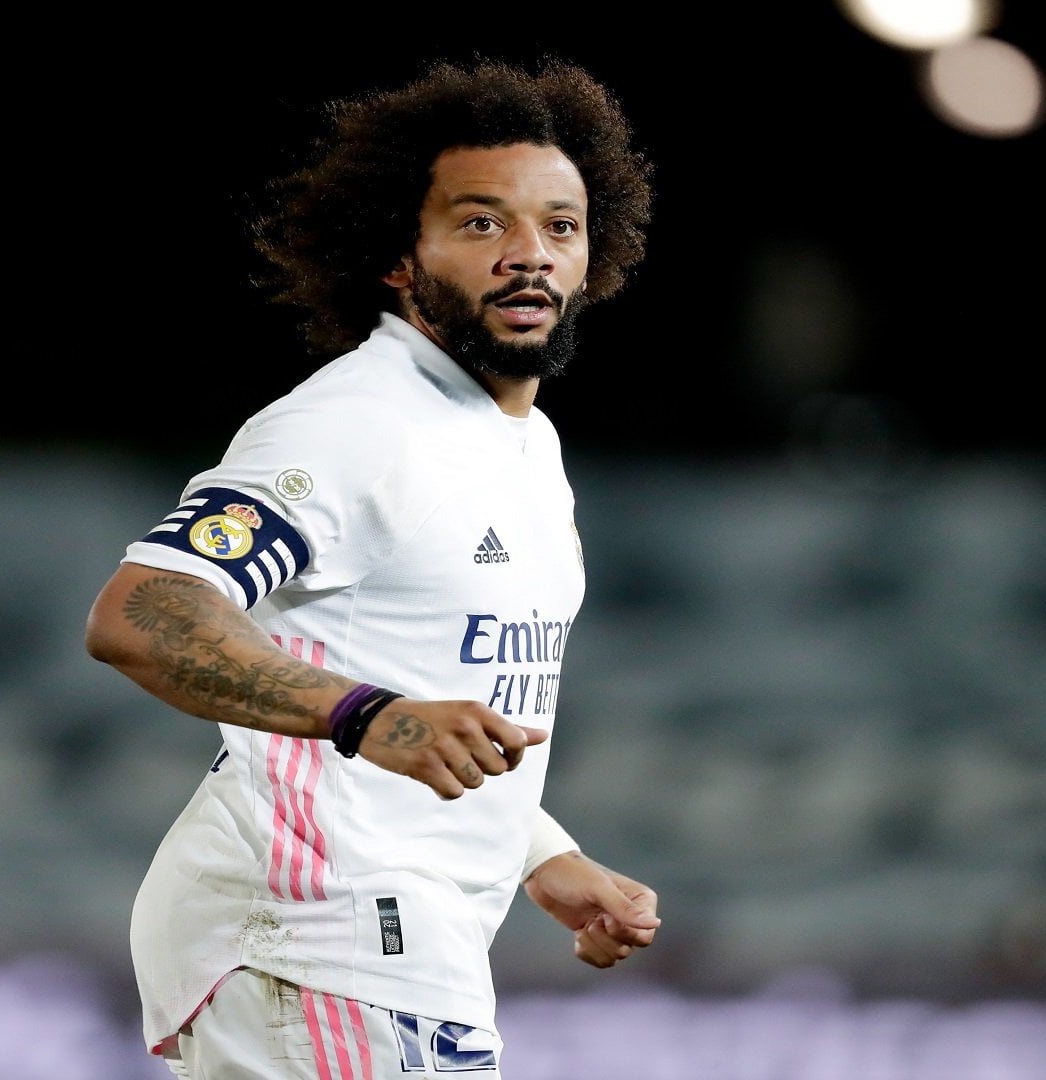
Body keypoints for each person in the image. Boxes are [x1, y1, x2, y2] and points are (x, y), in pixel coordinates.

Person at [86, 55, 661, 1078]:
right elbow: (145, 611)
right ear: (400, 257)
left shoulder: (519, 443)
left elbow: (429, 678)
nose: (529, 254)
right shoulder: (355, 426)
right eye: (482, 223)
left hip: (390, 954)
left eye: (560, 227)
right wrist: (368, 714)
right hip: (315, 939)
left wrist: (540, 853)